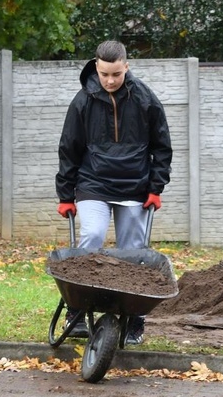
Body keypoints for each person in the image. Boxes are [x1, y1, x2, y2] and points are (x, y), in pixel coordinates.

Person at [55, 40, 173, 345]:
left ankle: (133, 318)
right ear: (96, 67)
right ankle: (77, 313)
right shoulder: (83, 101)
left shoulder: (145, 98)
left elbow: (162, 147)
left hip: (135, 186)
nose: (110, 80)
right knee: (92, 237)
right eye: (105, 74)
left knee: (133, 251)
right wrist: (66, 195)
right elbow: (69, 148)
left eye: (116, 74)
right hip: (93, 182)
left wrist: (155, 188)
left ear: (126, 67)